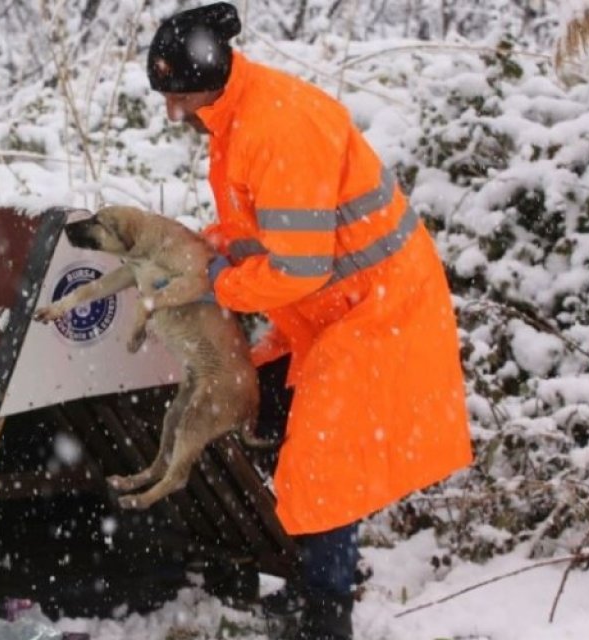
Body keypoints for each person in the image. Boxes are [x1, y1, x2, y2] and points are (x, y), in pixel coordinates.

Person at [145, 4, 473, 639]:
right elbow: (264, 227)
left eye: (178, 97)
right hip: (329, 313)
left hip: (377, 313)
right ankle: (320, 575)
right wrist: (208, 249)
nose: (171, 112)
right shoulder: (237, 116)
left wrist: (220, 286)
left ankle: (326, 612)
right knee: (265, 416)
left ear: (210, 80)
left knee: (324, 461)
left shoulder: (276, 125)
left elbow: (296, 266)